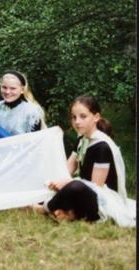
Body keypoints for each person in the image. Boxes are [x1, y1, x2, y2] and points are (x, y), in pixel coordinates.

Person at [33, 96, 134, 226]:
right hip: (85, 193)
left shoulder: (102, 146)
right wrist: (56, 181)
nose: (77, 122)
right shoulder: (82, 140)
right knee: (55, 181)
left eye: (83, 116)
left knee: (76, 186)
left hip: (102, 200)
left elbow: (96, 187)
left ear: (96, 117)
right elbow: (68, 169)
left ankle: (44, 209)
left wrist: (68, 182)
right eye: (73, 117)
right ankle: (65, 212)